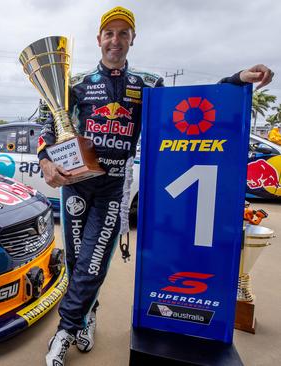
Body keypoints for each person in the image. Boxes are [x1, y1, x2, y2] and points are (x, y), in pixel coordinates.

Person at [41, 6, 274, 366]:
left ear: (133, 40)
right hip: (74, 187)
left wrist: (235, 80)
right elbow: (47, 125)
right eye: (109, 33)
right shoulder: (77, 83)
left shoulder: (148, 84)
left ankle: (65, 330)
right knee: (76, 263)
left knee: (92, 265)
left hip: (112, 189)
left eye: (123, 34)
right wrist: (46, 162)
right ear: (99, 39)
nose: (115, 40)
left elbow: (189, 105)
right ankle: (88, 315)